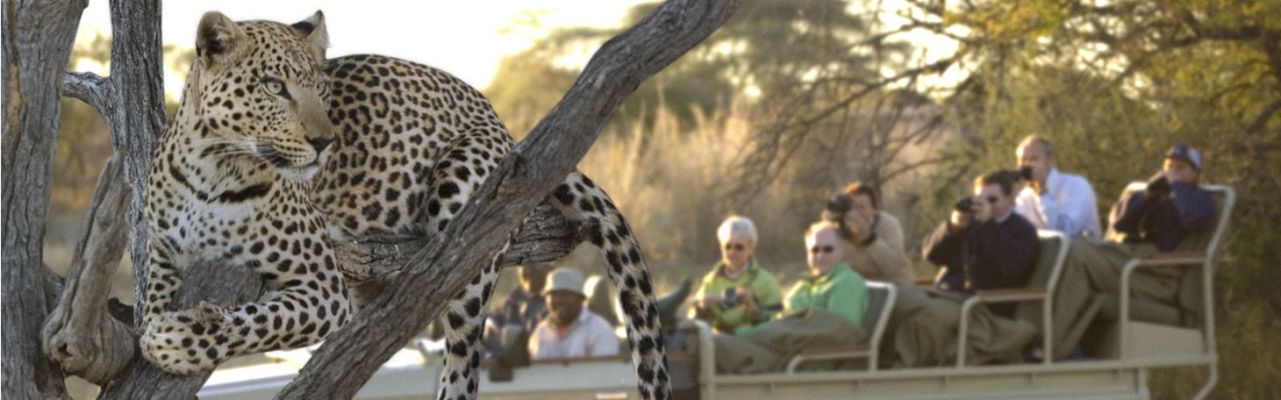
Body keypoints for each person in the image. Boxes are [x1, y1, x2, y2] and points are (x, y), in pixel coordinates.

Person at [1049, 143, 1216, 360]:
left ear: (1195, 174)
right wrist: (1146, 194)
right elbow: (1119, 224)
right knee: (1064, 249)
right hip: (1130, 258)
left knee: (1077, 252)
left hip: (1155, 273)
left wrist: (1177, 187)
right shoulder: (1156, 196)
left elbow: (1196, 218)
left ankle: (1053, 347)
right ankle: (1064, 346)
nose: (1172, 172)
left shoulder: (1199, 199)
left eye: (1181, 168)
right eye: (1169, 166)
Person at [712, 221, 870, 374]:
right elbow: (781, 319)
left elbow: (841, 332)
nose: (820, 255)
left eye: (828, 249)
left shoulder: (847, 282)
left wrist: (753, 334)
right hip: (777, 350)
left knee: (710, 347)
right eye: (814, 250)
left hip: (799, 360)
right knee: (702, 340)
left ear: (842, 251)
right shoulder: (805, 285)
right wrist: (753, 314)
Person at [924, 169, 1041, 314]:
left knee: (925, 320)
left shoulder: (1022, 230)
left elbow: (1011, 267)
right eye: (979, 200)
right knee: (898, 309)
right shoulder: (970, 224)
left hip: (983, 305)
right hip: (948, 295)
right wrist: (954, 227)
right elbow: (932, 256)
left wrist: (988, 224)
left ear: (1010, 200)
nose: (986, 205)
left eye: (992, 200)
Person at [691, 216, 783, 335]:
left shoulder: (766, 282)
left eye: (739, 247)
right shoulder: (710, 281)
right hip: (717, 342)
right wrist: (701, 308)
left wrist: (752, 306)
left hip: (753, 343)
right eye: (727, 246)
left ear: (751, 249)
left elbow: (776, 324)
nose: (732, 252)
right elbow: (693, 322)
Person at [822, 182, 914, 285]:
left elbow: (893, 266)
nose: (855, 212)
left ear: (874, 210)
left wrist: (869, 239)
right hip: (857, 286)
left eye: (861, 207)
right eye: (851, 207)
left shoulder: (888, 224)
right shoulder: (838, 226)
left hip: (893, 284)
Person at [1014, 135, 1103, 238]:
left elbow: (1064, 232)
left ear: (1050, 160)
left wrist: (1042, 192)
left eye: (1034, 159)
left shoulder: (1076, 186)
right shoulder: (1024, 196)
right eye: (1023, 160)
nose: (1028, 165)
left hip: (1080, 252)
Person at [528, 268, 620, 360]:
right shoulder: (541, 331)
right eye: (553, 295)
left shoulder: (600, 330)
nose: (559, 300)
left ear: (580, 299)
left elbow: (606, 371)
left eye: (565, 294)